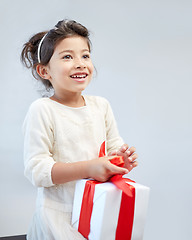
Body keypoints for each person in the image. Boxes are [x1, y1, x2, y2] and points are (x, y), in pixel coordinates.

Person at [21, 19, 138, 240]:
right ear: (44, 71)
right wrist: (90, 168)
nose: (80, 63)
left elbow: (113, 148)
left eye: (85, 55)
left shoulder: (101, 106)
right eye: (67, 56)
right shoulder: (43, 110)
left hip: (97, 211)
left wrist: (121, 159)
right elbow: (37, 170)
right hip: (57, 218)